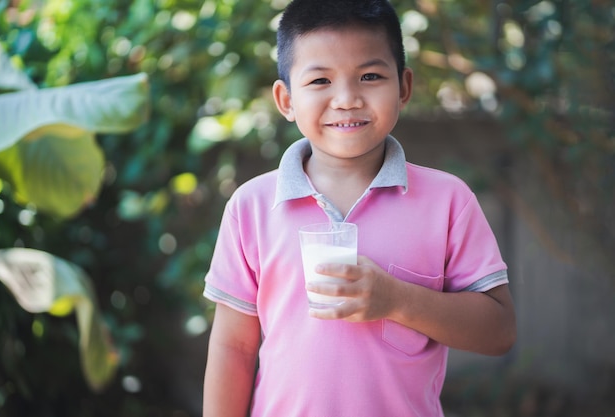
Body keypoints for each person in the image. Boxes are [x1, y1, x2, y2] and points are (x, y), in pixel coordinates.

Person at [202, 0, 516, 415]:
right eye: (320, 81)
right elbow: (233, 346)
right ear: (286, 99)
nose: (347, 99)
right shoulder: (252, 206)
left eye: (369, 76)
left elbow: (498, 331)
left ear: (403, 87)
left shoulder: (447, 201)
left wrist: (398, 300)